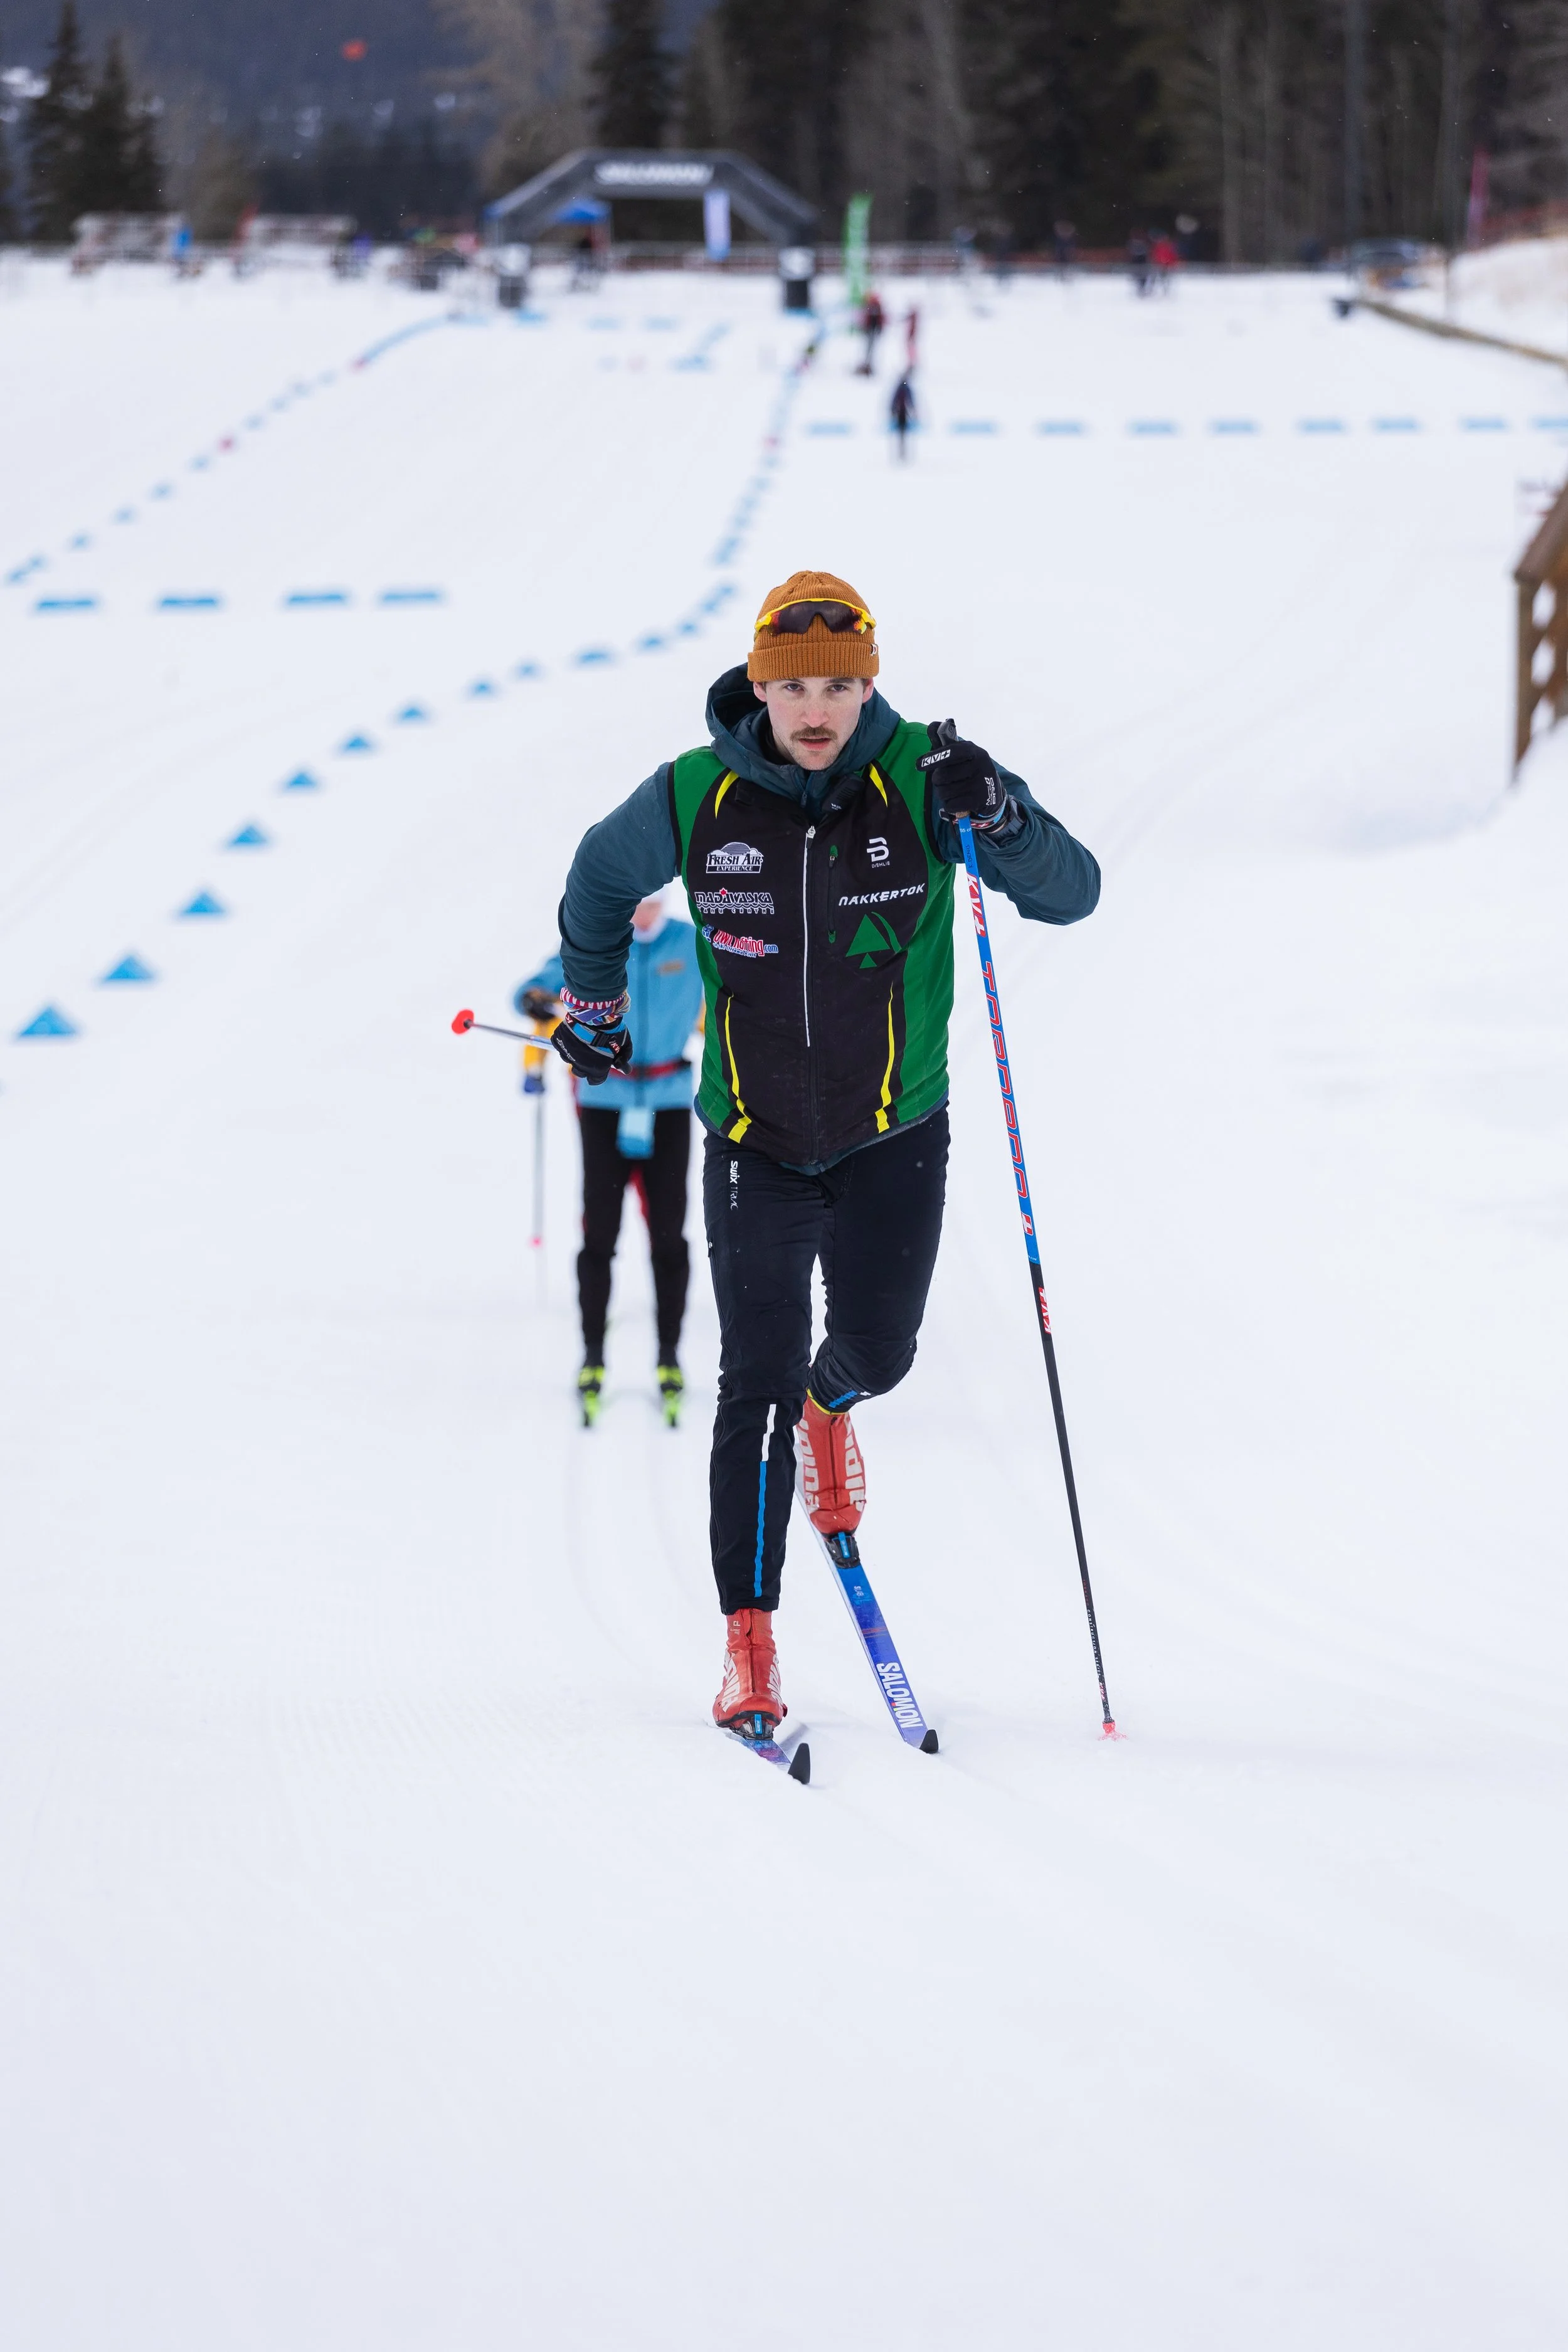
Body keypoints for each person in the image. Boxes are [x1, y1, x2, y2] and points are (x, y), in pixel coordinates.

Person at [543, 571, 1100, 1740]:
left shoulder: (928, 780)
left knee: (879, 1352)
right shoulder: (694, 795)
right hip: (752, 1138)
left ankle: (831, 1403)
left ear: (868, 687)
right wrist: (593, 1004)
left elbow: (1070, 892)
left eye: (836, 689)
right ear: (758, 685)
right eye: (792, 686)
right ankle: (749, 1646)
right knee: (749, 1386)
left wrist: (997, 815)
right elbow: (600, 878)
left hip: (896, 1131)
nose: (813, 709)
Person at [517, 897, 704, 1427]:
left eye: (651, 900)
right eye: (633, 900)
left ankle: (669, 1356)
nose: (641, 911)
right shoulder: (598, 943)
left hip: (668, 1099)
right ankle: (592, 1355)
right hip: (603, 1102)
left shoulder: (690, 942)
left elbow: (742, 985)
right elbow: (533, 988)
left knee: (670, 1234)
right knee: (600, 1232)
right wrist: (536, 999)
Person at [889, 373, 917, 461]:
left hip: (902, 414)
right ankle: (902, 452)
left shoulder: (900, 388)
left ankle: (902, 452)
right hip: (902, 414)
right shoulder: (904, 388)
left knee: (902, 434)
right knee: (902, 434)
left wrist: (893, 411)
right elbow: (910, 401)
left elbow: (894, 401)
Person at [857, 289, 885, 375]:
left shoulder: (874, 307)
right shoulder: (872, 306)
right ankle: (867, 365)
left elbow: (878, 319)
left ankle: (868, 365)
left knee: (870, 348)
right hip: (871, 330)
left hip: (872, 330)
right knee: (869, 348)